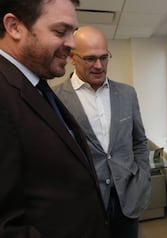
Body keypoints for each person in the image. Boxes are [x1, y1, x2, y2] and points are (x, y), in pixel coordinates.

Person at [0, 0, 110, 237]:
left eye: (73, 32)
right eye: (60, 31)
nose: (72, 44)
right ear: (14, 27)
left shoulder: (36, 86)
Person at [53, 25, 151, 238]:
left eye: (104, 57)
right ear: (72, 57)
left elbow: (139, 141)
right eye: (89, 59)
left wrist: (143, 176)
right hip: (84, 205)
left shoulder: (127, 94)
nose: (99, 65)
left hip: (127, 200)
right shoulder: (55, 99)